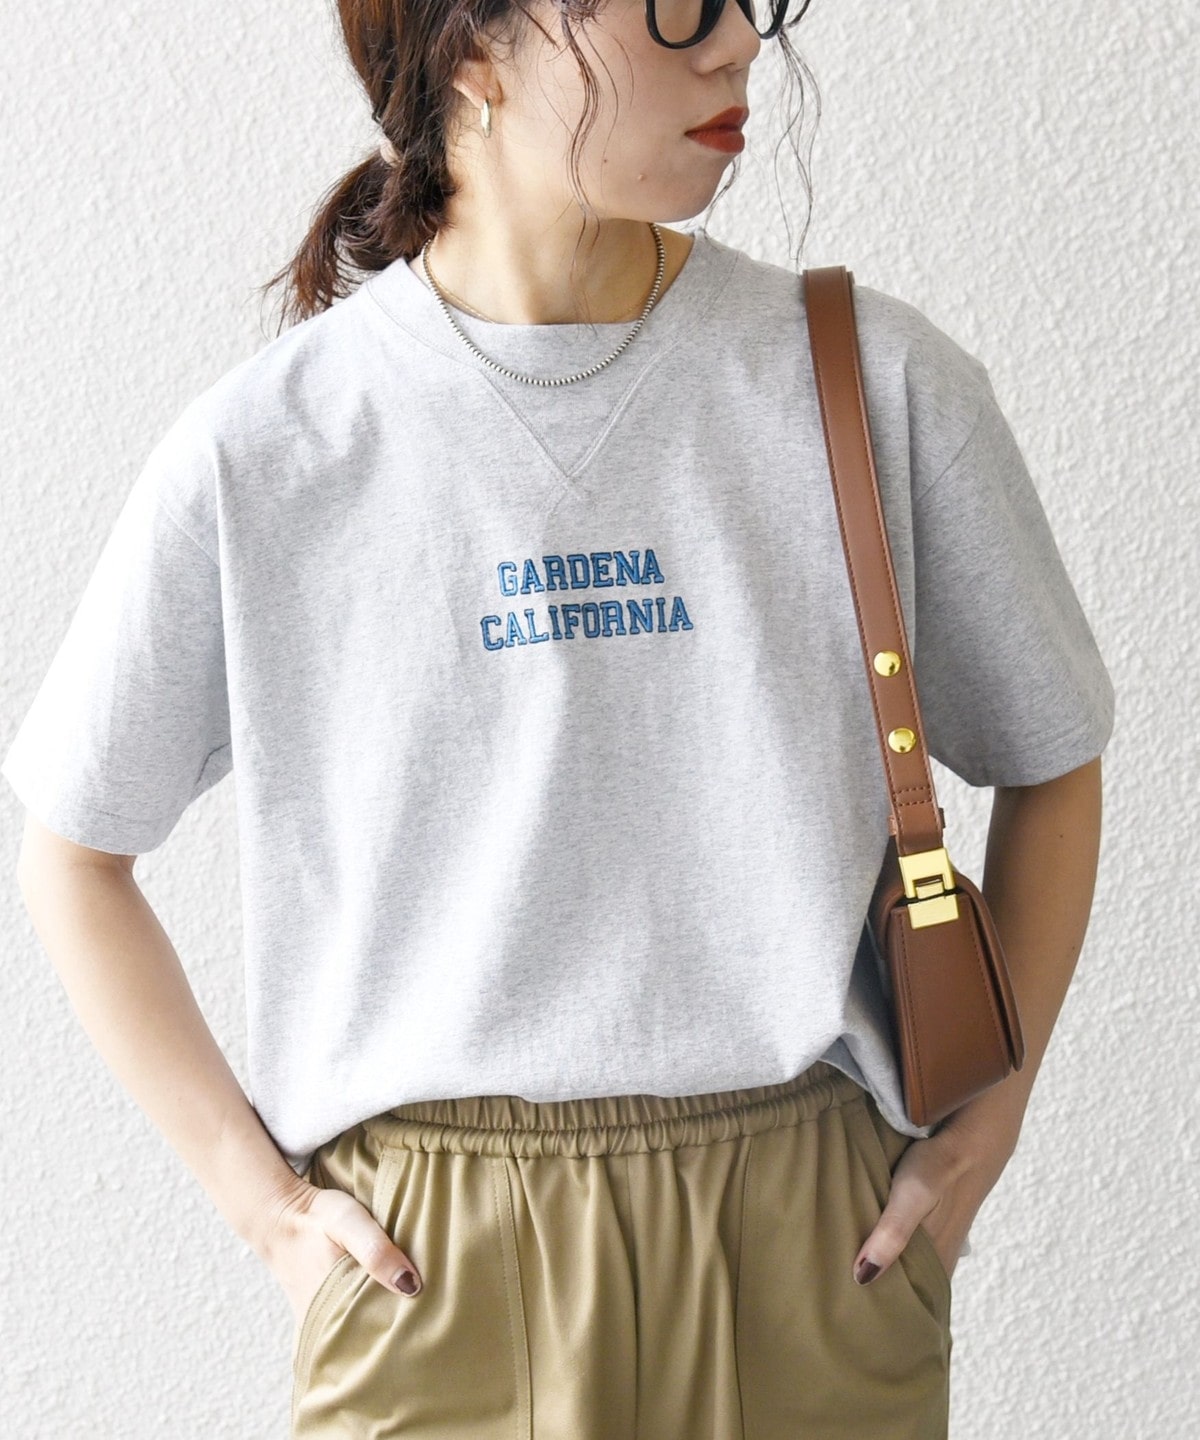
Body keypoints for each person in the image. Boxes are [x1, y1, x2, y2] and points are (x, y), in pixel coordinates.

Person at [4, 0, 1115, 1436]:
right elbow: (73, 850)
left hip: (809, 1238)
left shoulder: (874, 384)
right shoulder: (275, 446)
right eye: (676, 5)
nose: (738, 45)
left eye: (752, 4)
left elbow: (1052, 760)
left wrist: (984, 1133)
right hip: (431, 1264)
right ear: (471, 46)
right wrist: (265, 1209)